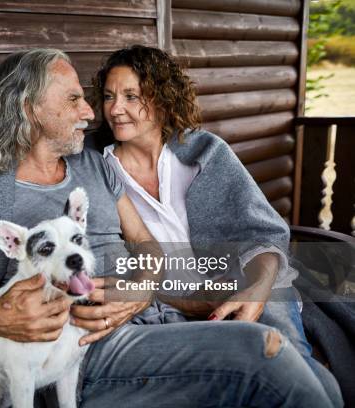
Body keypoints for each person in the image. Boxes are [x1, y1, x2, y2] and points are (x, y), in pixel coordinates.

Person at [0, 48, 336, 408]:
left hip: (155, 321)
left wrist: (143, 286)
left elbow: (145, 241)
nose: (94, 112)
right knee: (262, 357)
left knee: (319, 383)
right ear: (28, 109)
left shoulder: (92, 164)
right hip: (85, 351)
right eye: (75, 100)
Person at [93, 45, 342, 407]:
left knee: (308, 377)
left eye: (132, 96)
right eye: (109, 96)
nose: (115, 109)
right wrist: (193, 303)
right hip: (173, 306)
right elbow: (119, 269)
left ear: (163, 99)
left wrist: (257, 288)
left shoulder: (205, 151)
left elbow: (262, 233)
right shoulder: (97, 170)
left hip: (249, 282)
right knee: (294, 383)